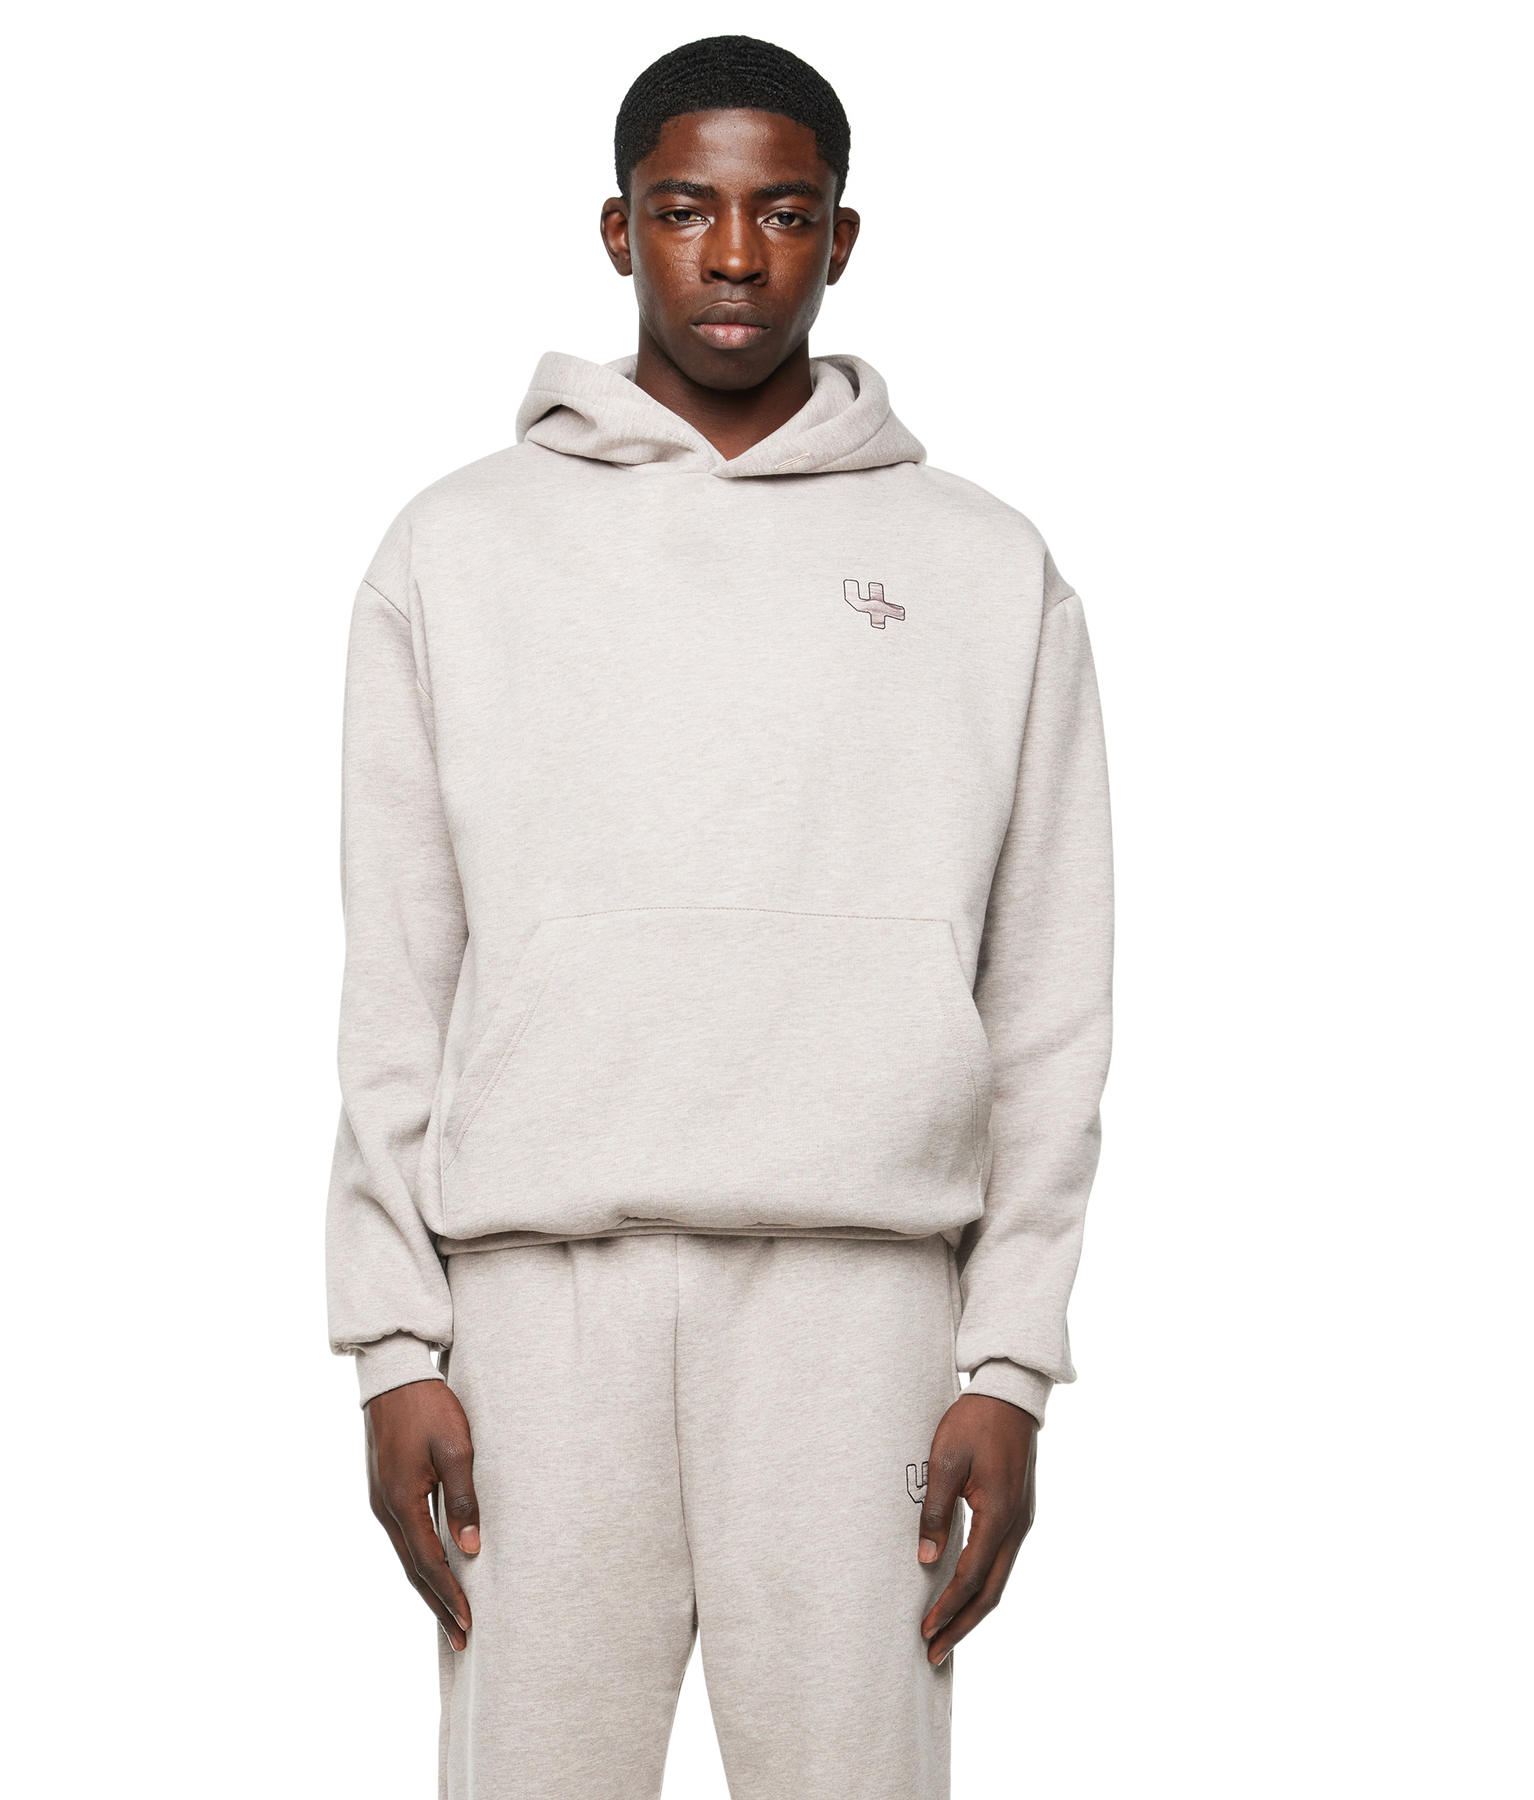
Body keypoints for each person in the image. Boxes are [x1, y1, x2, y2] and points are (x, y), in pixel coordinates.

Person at [324, 25, 1115, 1799]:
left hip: (865, 1306)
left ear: (846, 237)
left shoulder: (988, 565)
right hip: (536, 1309)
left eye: (785, 212)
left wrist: (1010, 1362)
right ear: (618, 230)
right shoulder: (457, 547)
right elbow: (398, 976)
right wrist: (390, 1344)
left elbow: (1055, 1001)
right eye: (687, 209)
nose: (737, 255)